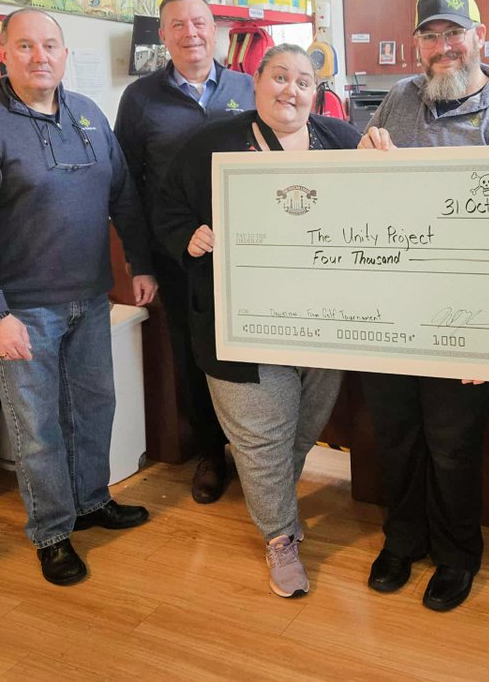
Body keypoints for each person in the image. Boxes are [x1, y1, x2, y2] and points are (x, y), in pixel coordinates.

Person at [0, 8, 157, 586]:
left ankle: (91, 501)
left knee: (94, 409)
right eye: (26, 46)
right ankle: (53, 532)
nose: (41, 56)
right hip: (22, 309)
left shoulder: (86, 114)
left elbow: (124, 198)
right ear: (5, 54)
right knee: (37, 428)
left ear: (64, 54)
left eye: (51, 46)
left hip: (89, 299)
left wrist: (137, 263)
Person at [358, 0, 489, 612]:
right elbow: (366, 199)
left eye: (453, 34)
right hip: (393, 307)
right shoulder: (396, 103)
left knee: (452, 444)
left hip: (466, 317)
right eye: (430, 37)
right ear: (417, 45)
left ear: (479, 38)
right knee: (396, 434)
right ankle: (403, 539)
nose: (443, 48)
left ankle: (457, 553)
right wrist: (364, 164)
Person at [152, 44, 359, 598]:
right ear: (256, 82)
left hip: (325, 322)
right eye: (279, 77)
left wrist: (385, 154)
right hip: (238, 321)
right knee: (261, 435)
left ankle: (271, 498)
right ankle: (279, 537)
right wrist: (186, 237)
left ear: (318, 94)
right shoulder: (208, 144)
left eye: (304, 82)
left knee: (300, 428)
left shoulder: (341, 142)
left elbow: (386, 203)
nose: (291, 90)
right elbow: (165, 209)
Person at [116, 0, 254, 505]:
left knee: (253, 350)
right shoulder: (140, 99)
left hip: (249, 252)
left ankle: (256, 449)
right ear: (164, 34)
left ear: (215, 29)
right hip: (179, 256)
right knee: (195, 355)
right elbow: (125, 185)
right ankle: (210, 454)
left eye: (199, 22)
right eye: (177, 25)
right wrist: (141, 262)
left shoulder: (249, 86)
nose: (190, 33)